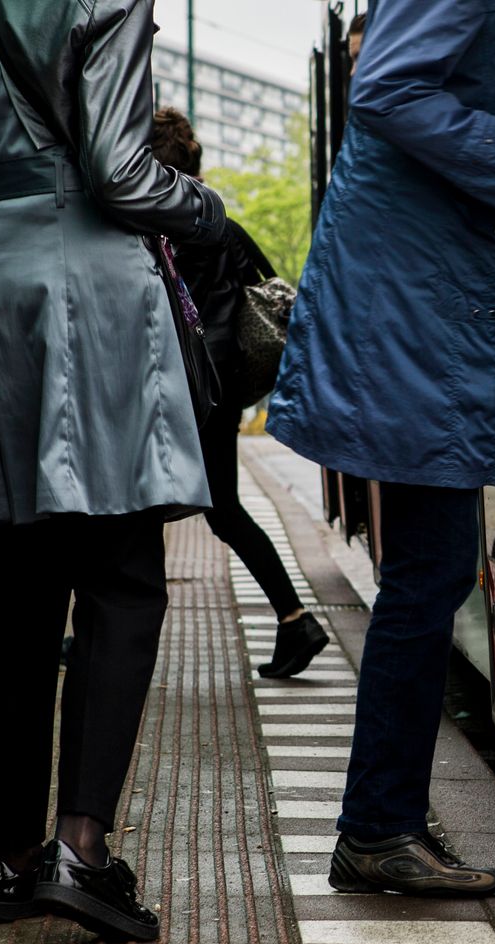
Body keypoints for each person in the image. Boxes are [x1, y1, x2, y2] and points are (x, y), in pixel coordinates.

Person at [0, 0, 223, 941]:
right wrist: (205, 207)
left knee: (19, 585)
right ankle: (82, 850)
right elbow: (120, 174)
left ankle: (8, 858)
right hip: (91, 288)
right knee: (122, 575)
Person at [268, 0, 495, 898]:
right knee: (431, 568)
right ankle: (376, 830)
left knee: (441, 560)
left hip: (468, 292)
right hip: (419, 305)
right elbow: (386, 88)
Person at [147, 108, 330, 678]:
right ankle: (294, 620)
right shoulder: (218, 219)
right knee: (220, 509)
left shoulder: (156, 223)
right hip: (223, 386)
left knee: (136, 507)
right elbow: (272, 287)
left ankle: (107, 638)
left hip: (179, 383)